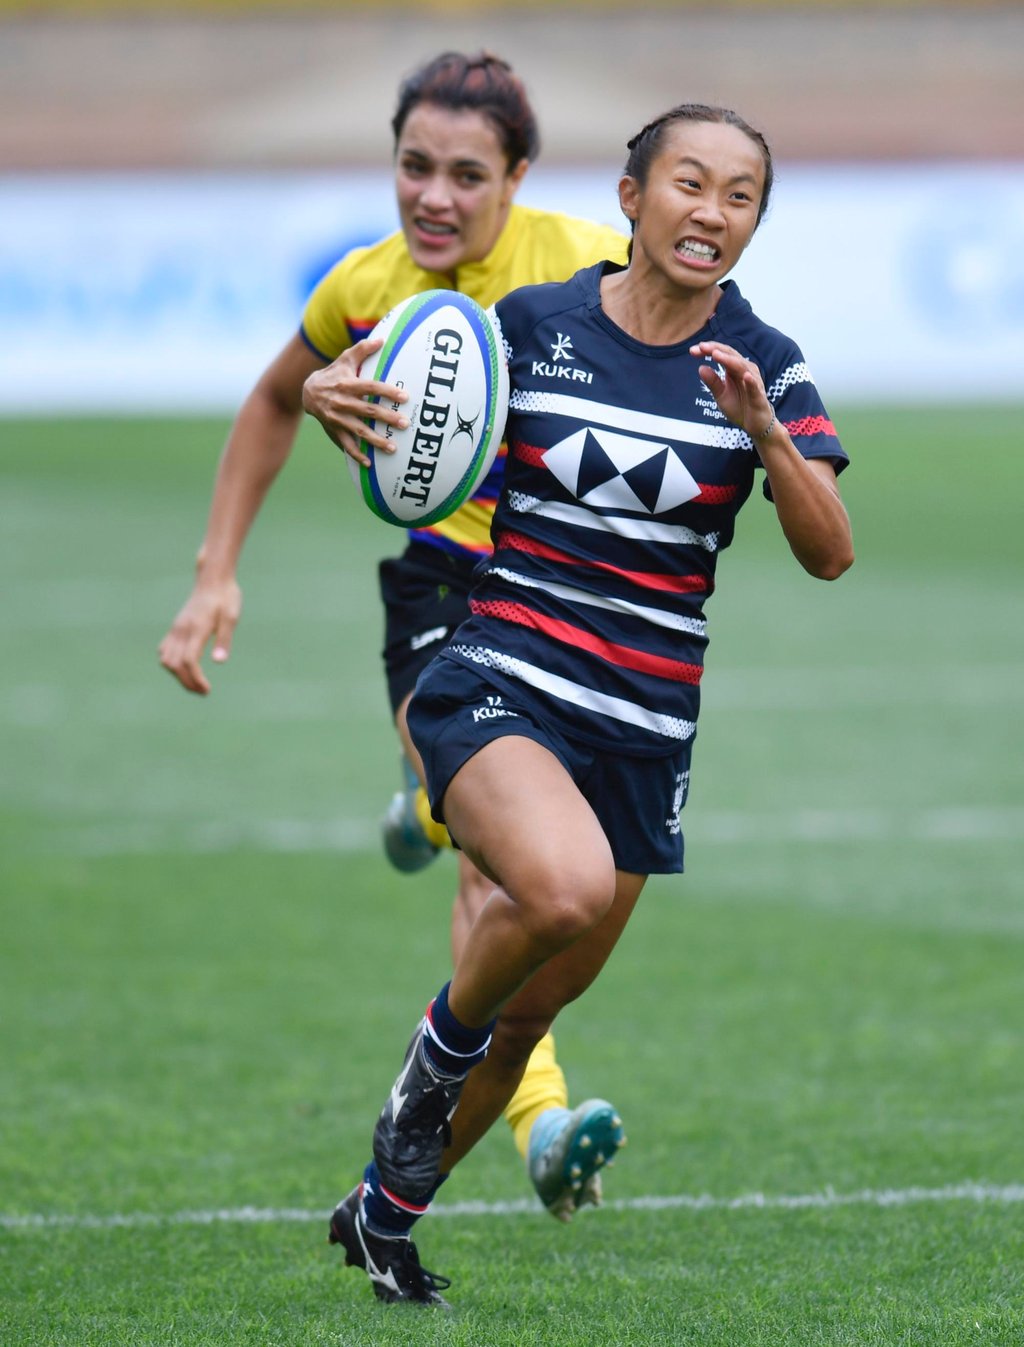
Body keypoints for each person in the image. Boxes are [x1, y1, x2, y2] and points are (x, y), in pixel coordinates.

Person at [317, 102, 854, 1307]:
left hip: (643, 728)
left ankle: (382, 1219)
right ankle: (421, 1079)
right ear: (630, 196)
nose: (710, 213)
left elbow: (829, 550)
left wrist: (765, 434)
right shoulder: (534, 322)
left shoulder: (764, 361)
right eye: (688, 184)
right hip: (501, 671)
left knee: (530, 1019)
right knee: (548, 892)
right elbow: (425, 447)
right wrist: (342, 406)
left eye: (739, 197)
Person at [157, 51, 631, 1222]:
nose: (433, 196)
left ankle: (417, 803)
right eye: (413, 166)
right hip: (440, 594)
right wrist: (215, 575)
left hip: (557, 594)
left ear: (517, 177)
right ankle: (543, 1123)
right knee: (499, 863)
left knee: (497, 849)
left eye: (467, 174)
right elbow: (274, 397)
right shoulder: (364, 288)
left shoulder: (580, 264)